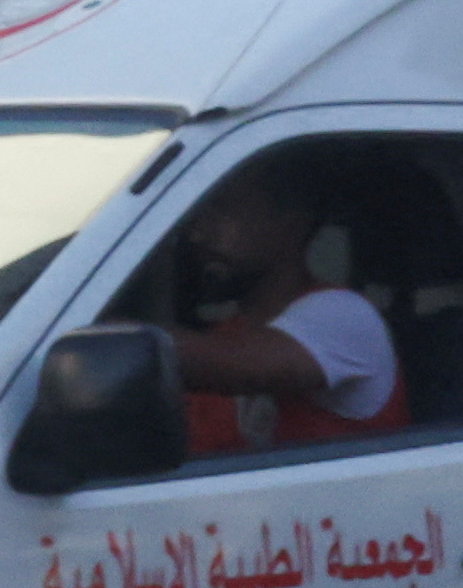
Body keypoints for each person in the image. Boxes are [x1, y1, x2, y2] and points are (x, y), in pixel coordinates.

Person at [166, 150, 408, 457]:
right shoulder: (224, 338)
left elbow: (239, 368)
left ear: (292, 223)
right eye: (198, 215)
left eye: (223, 212)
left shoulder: (344, 315)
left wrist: (120, 339)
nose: (198, 234)